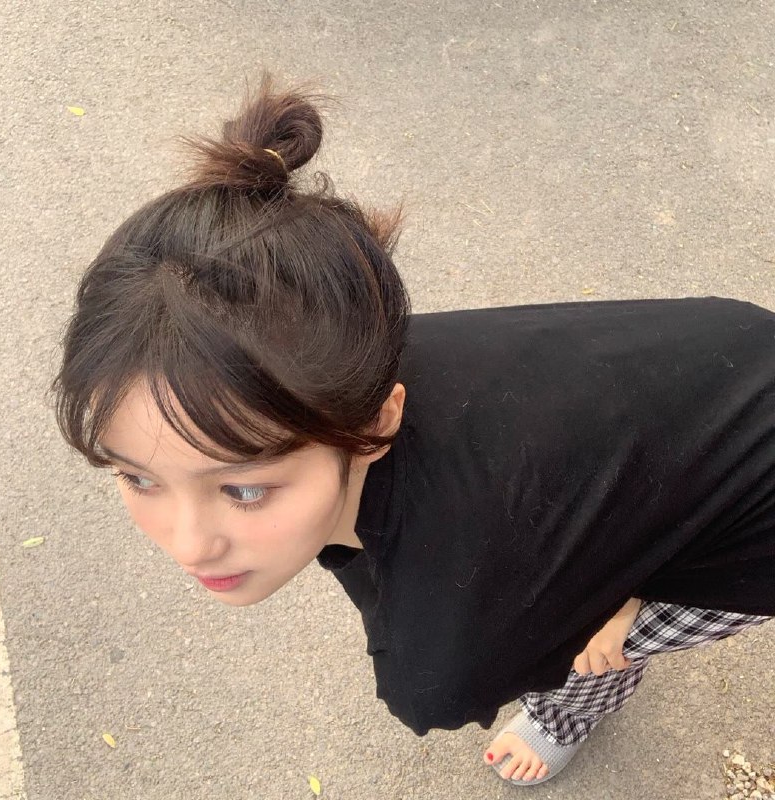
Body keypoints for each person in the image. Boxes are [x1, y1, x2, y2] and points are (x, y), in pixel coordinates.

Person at [52, 74, 775, 786]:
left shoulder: (446, 656)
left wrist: (605, 607)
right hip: (727, 357)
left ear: (378, 416)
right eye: (137, 476)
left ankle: (570, 710)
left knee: (593, 645)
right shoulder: (332, 348)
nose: (188, 545)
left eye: (244, 489)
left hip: (755, 523)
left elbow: (435, 673)